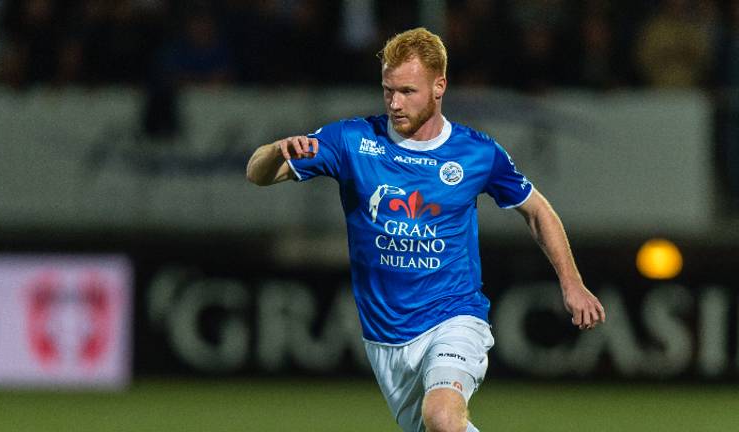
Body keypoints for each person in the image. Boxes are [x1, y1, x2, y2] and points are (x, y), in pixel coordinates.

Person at [246, 27, 605, 432]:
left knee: (441, 417)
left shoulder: (477, 152)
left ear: (439, 87)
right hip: (385, 337)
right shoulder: (352, 140)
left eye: (407, 91)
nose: (395, 104)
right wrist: (276, 149)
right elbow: (258, 174)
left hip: (455, 317)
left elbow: (537, 210)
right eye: (388, 90)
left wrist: (572, 284)